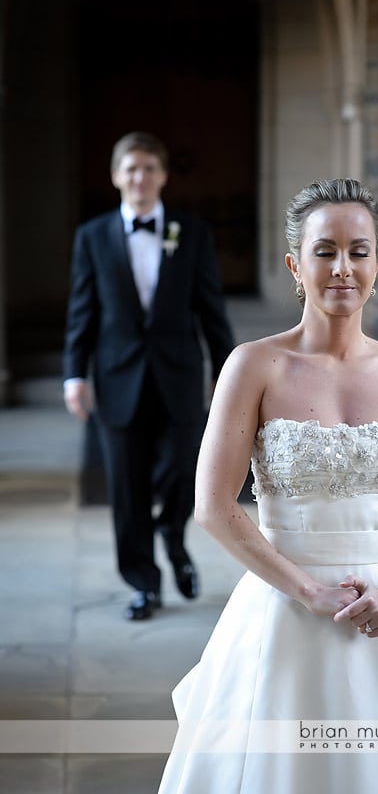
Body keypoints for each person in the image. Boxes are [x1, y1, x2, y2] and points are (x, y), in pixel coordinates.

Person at [157, 179, 378, 792]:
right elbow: (214, 507)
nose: (343, 268)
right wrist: (309, 593)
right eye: (325, 251)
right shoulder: (253, 365)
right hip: (284, 608)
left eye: (359, 250)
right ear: (296, 265)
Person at [63, 131, 234, 621]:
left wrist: (226, 375)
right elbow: (83, 311)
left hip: (179, 376)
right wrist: (74, 374)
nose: (140, 177)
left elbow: (211, 310)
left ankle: (174, 540)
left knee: (186, 474)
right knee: (126, 487)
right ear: (117, 176)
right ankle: (143, 582)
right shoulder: (92, 237)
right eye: (131, 168)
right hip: (117, 379)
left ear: (163, 175)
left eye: (149, 168)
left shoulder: (192, 233)